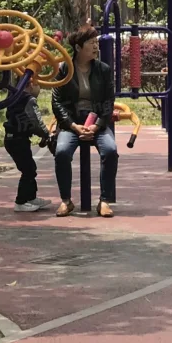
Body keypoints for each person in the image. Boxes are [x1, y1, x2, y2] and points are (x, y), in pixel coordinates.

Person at [51, 24, 117, 218]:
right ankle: (66, 201)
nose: (96, 46)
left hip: (97, 122)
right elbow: (57, 102)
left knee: (110, 150)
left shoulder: (103, 70)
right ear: (78, 47)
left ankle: (104, 201)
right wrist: (73, 125)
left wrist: (97, 126)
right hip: (71, 123)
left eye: (96, 42)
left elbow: (108, 101)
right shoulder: (64, 69)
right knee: (62, 152)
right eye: (91, 43)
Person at [4, 76, 51, 212]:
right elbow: (36, 120)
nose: (39, 88)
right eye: (37, 84)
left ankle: (31, 198)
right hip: (17, 140)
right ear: (30, 84)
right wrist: (46, 134)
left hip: (13, 139)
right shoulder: (28, 99)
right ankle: (21, 201)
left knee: (30, 168)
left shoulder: (13, 97)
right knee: (28, 170)